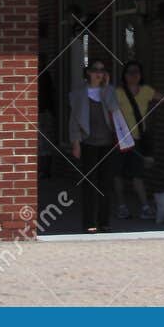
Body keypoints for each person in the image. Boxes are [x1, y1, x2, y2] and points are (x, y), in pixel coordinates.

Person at [112, 61, 164, 221]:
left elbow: (163, 98)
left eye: (137, 72)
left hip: (138, 139)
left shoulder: (146, 91)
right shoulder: (118, 93)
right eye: (130, 72)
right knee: (118, 174)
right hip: (120, 140)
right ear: (124, 75)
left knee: (137, 175)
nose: (133, 75)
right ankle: (122, 206)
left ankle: (145, 207)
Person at [67, 59, 119, 233]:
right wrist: (75, 143)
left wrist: (105, 88)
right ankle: (89, 222)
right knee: (89, 184)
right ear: (88, 72)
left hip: (108, 143)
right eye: (96, 70)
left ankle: (104, 222)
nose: (99, 73)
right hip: (88, 143)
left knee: (106, 184)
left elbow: (113, 109)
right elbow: (74, 121)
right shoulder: (77, 94)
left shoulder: (110, 91)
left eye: (102, 70)